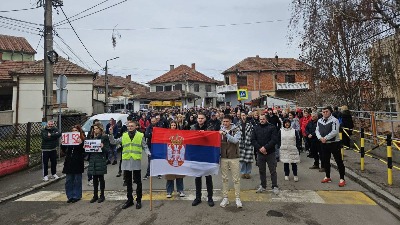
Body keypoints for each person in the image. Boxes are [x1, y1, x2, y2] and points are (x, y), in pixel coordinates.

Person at [109, 121, 151, 209]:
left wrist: (148, 153)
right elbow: (114, 142)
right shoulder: (124, 135)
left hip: (135, 160)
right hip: (126, 160)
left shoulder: (140, 135)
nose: (130, 127)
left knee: (138, 182)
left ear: (136, 127)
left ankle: (138, 200)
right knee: (128, 182)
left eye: (132, 126)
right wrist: (111, 133)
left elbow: (144, 146)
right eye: (129, 126)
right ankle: (129, 200)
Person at [316, 106, 346, 187]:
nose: (325, 113)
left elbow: (335, 131)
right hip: (324, 143)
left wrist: (325, 138)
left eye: (326, 111)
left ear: (330, 112)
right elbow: (317, 130)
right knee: (325, 160)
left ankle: (342, 178)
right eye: (323, 112)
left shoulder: (334, 120)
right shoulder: (320, 120)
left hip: (334, 143)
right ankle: (327, 176)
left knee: (338, 161)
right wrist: (320, 138)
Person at [191, 113, 215, 207]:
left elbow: (212, 139)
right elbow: (190, 139)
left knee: (208, 177)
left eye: (202, 118)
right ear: (197, 119)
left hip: (207, 154)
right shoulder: (193, 128)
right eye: (199, 118)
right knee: (197, 177)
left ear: (205, 119)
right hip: (197, 154)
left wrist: (204, 134)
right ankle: (198, 197)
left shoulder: (210, 127)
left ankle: (210, 197)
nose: (200, 120)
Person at [251, 115, 279, 194]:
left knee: (272, 170)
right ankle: (263, 186)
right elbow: (253, 140)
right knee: (261, 170)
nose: (262, 120)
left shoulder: (272, 127)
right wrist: (260, 148)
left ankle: (275, 186)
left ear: (266, 119)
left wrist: (265, 148)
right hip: (260, 153)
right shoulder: (255, 128)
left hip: (270, 153)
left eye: (263, 119)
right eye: (260, 119)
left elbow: (274, 140)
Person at [219, 115, 243, 208]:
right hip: (224, 157)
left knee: (236, 179)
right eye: (223, 121)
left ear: (231, 122)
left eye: (227, 121)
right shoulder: (220, 130)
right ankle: (225, 198)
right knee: (224, 178)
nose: (225, 123)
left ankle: (237, 198)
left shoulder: (236, 130)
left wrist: (226, 134)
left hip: (234, 157)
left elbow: (235, 140)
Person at [61, 125, 85, 203]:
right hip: (69, 162)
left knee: (77, 180)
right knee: (69, 180)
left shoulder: (82, 140)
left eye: (76, 130)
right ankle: (70, 196)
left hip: (77, 162)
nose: (74, 132)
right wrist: (62, 144)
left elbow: (84, 151)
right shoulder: (69, 140)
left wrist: (81, 144)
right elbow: (65, 151)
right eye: (73, 130)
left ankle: (77, 195)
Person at [87, 123, 109, 203]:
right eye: (94, 128)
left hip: (100, 159)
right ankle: (95, 195)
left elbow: (107, 150)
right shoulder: (91, 137)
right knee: (94, 178)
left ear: (100, 129)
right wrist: (86, 148)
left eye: (96, 128)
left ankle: (102, 195)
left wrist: (103, 147)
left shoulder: (104, 137)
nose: (95, 130)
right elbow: (88, 149)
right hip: (93, 159)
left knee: (101, 178)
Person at [165, 121, 185, 198]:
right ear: (170, 126)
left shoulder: (180, 133)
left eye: (174, 125)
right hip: (170, 156)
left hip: (179, 154)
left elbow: (183, 142)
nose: (173, 126)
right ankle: (169, 191)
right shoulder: (166, 133)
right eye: (172, 125)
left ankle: (180, 190)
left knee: (179, 174)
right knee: (170, 175)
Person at [237, 112, 254, 179]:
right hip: (241, 143)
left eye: (244, 115)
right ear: (240, 116)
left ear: (246, 116)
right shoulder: (238, 124)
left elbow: (252, 133)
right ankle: (243, 172)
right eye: (242, 115)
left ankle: (248, 172)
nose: (243, 116)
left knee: (249, 159)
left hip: (248, 142)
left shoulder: (249, 124)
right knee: (242, 159)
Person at [86, 119, 100, 186]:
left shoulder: (102, 134)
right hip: (91, 153)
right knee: (90, 167)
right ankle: (90, 179)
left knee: (97, 167)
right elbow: (87, 141)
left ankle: (96, 179)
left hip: (98, 154)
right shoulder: (90, 133)